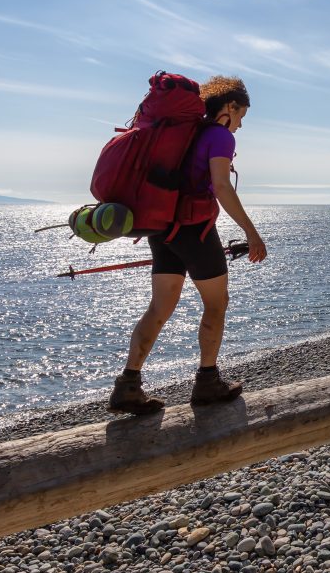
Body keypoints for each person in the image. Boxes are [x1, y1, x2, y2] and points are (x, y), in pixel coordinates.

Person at [108, 75, 267, 415]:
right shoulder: (218, 136)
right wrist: (252, 232)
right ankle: (207, 381)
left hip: (162, 228)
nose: (239, 125)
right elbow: (222, 187)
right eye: (241, 117)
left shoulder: (188, 131)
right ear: (230, 107)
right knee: (217, 302)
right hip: (193, 229)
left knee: (160, 307)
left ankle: (127, 386)